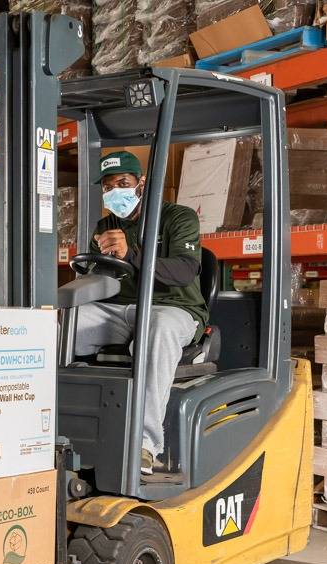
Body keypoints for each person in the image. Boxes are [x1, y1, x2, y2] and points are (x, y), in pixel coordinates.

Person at [74, 151, 208, 475]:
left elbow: (184, 271)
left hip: (175, 309)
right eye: (108, 186)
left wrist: (132, 254)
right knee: (63, 325)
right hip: (119, 310)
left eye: (123, 183)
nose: (114, 192)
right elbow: (102, 277)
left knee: (157, 328)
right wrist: (94, 265)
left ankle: (145, 445)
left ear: (141, 184)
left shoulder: (179, 217)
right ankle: (57, 427)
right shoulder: (106, 225)